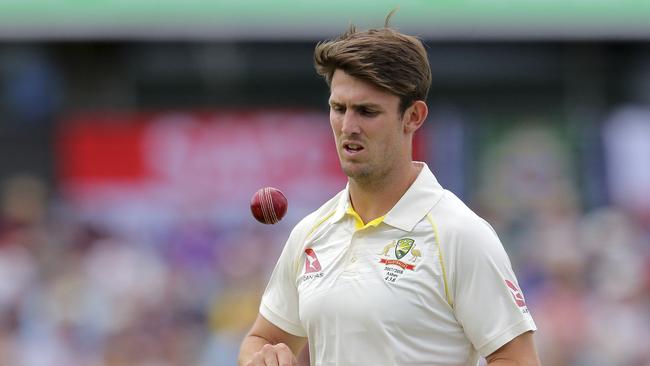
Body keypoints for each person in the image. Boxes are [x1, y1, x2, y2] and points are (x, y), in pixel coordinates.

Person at [238, 15, 541, 366]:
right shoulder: (311, 232)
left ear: (413, 116)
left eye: (367, 111)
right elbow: (262, 339)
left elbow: (517, 359)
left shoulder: (460, 234)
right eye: (339, 108)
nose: (348, 126)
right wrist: (261, 361)